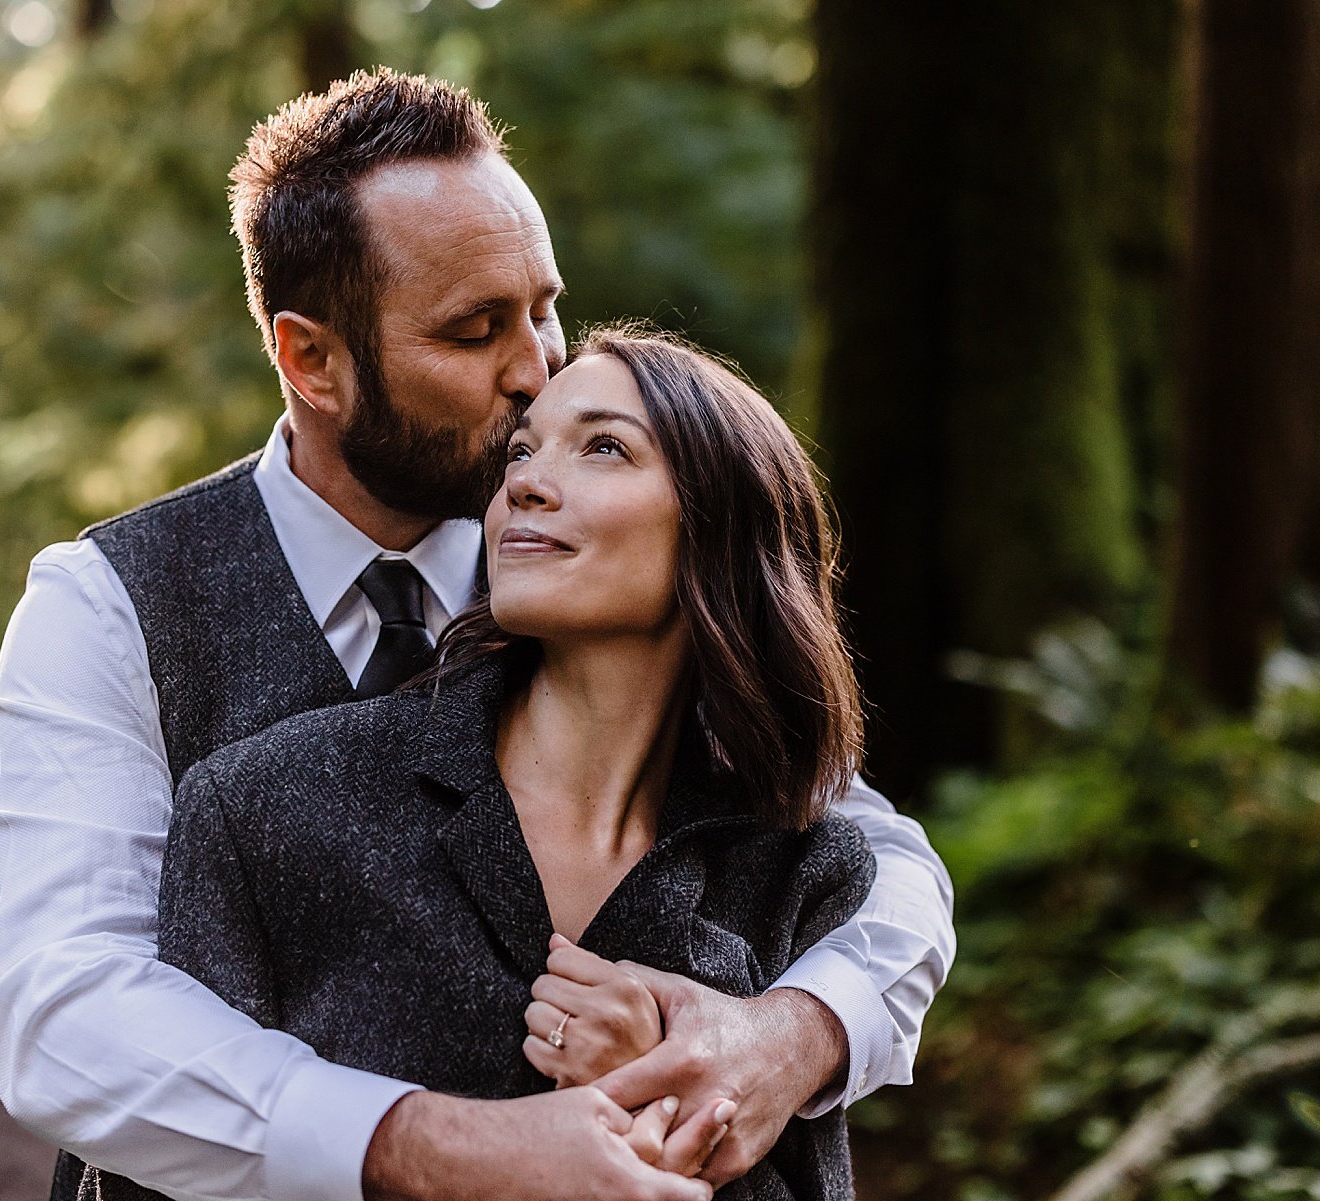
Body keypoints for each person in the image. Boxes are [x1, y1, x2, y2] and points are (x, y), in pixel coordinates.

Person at [0, 70, 955, 1201]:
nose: (536, 368)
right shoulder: (110, 605)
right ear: (312, 362)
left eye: (543, 306)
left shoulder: (584, 564)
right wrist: (434, 1147)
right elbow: (60, 1012)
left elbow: (877, 859)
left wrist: (794, 1033)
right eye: (476, 329)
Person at [83, 327, 878, 1201]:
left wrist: (670, 1090)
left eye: (604, 448)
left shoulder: (805, 870)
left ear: (723, 528)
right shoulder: (264, 809)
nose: (526, 482)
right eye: (522, 451)